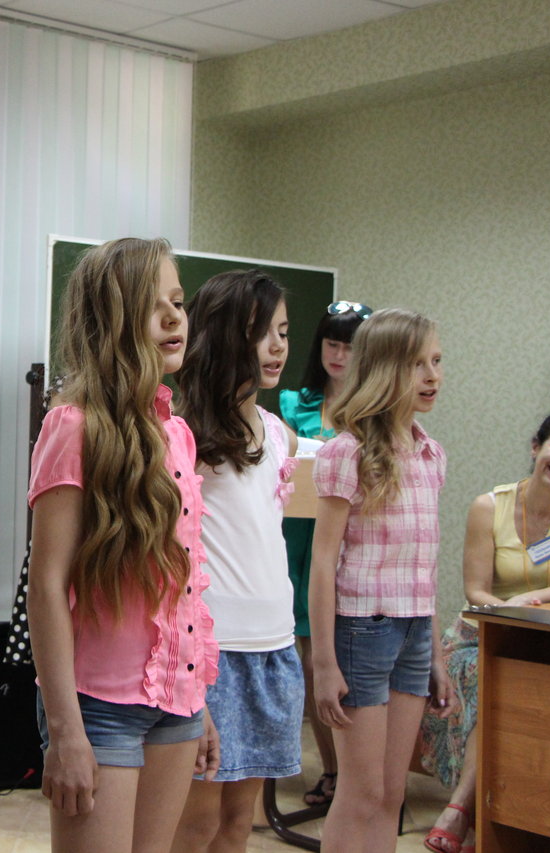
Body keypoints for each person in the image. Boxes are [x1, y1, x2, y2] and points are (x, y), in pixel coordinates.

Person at [27, 237, 220, 853]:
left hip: (177, 705)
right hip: (97, 707)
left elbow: (184, 586)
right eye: (150, 306)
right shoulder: (73, 426)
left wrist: (198, 701)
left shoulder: (178, 433)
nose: (173, 319)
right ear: (111, 320)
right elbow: (47, 587)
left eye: (178, 303)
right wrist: (66, 730)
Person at [308, 307, 455, 853]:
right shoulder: (345, 451)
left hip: (414, 630)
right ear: (385, 369)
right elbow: (322, 562)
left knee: (392, 794)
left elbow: (424, 568)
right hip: (362, 631)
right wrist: (324, 663)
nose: (433, 376)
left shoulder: (431, 454)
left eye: (437, 361)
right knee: (361, 792)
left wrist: (436, 655)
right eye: (418, 365)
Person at [171, 270, 304, 853]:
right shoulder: (185, 433)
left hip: (273, 646)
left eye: (283, 332)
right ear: (225, 334)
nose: (277, 347)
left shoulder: (278, 433)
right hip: (212, 652)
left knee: (236, 822)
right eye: (261, 332)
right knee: (195, 822)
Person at [419, 409, 550, 853]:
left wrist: (530, 601)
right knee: (497, 682)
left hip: (547, 633)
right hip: (480, 633)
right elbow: (476, 591)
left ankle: (516, 815)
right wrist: (509, 611)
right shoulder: (488, 506)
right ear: (536, 447)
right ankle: (466, 810)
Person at [279, 300, 371, 806]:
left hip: (348, 544)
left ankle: (354, 774)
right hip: (295, 539)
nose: (338, 355)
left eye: (349, 346)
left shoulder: (373, 408)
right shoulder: (295, 403)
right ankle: (331, 770)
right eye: (331, 344)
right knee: (308, 662)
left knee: (339, 660)